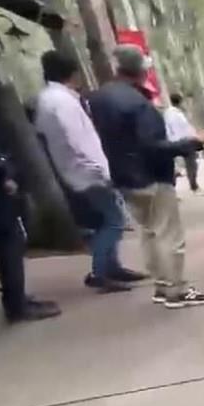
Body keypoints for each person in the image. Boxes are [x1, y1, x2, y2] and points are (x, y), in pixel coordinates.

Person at [89, 44, 204, 309]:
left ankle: (161, 286)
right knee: (169, 235)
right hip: (151, 178)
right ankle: (177, 291)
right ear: (141, 71)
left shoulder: (99, 99)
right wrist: (193, 142)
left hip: (124, 177)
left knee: (149, 233)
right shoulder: (139, 104)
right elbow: (153, 146)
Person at [33, 50, 144, 293]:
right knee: (114, 220)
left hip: (74, 169)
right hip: (87, 170)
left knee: (108, 218)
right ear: (72, 74)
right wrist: (99, 169)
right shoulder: (62, 102)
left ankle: (112, 267)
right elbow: (77, 139)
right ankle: (100, 271)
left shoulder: (47, 99)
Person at [0, 83, 60, 322]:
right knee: (8, 237)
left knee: (5, 237)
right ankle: (16, 305)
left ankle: (16, 299)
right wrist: (1, 165)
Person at [164, 93, 204, 196]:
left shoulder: (169, 113)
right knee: (190, 164)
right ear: (180, 102)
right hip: (183, 141)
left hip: (174, 141)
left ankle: (174, 189)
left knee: (177, 165)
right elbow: (184, 128)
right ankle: (193, 186)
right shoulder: (177, 114)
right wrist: (194, 136)